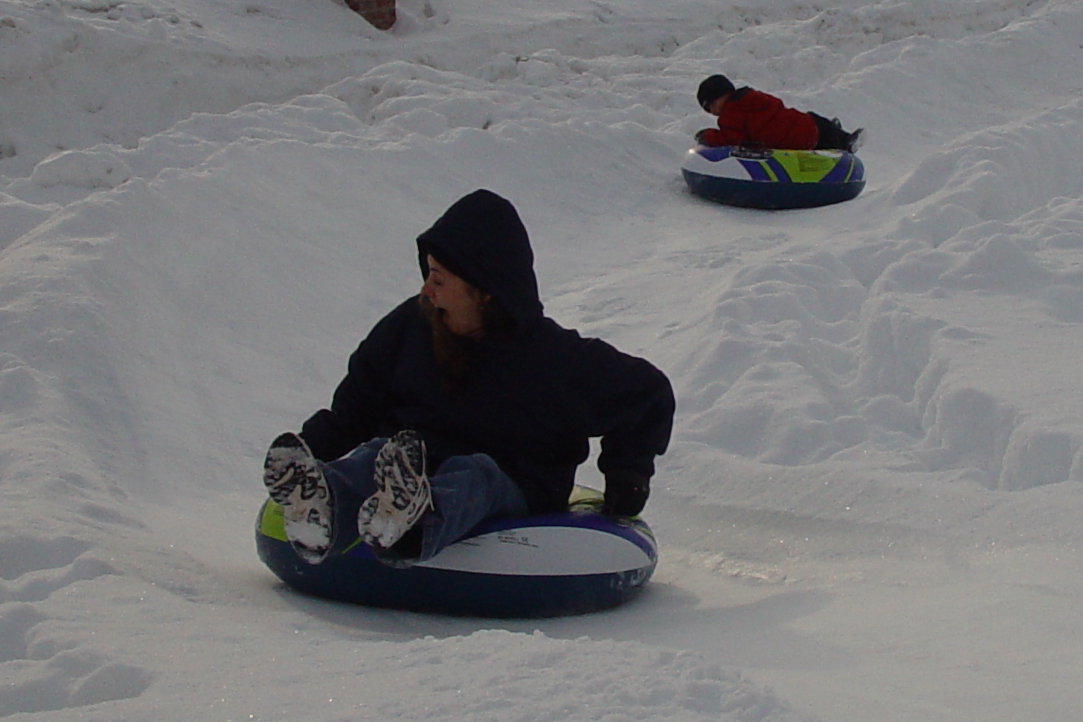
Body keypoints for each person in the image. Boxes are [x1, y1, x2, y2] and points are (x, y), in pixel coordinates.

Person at [262, 188, 674, 562]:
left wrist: (627, 477)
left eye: (438, 279)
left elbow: (648, 394)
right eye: (426, 275)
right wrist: (316, 445)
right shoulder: (414, 325)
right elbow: (362, 398)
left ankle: (411, 526)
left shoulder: (554, 359)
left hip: (513, 477)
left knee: (475, 476)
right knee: (374, 454)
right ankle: (323, 502)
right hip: (417, 460)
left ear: (486, 290)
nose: (427, 291)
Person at [695, 74, 857, 153]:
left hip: (792, 142)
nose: (714, 112)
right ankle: (840, 136)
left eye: (713, 105)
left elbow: (730, 139)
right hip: (801, 124)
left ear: (723, 95)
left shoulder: (731, 113)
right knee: (814, 121)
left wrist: (707, 136)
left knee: (810, 136)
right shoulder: (752, 97)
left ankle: (840, 141)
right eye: (709, 110)